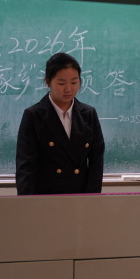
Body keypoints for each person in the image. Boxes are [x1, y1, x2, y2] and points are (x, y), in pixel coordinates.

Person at [16, 52, 105, 195]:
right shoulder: (34, 115)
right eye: (61, 83)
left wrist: (91, 199)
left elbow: (97, 162)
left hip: (80, 197)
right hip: (45, 198)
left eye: (74, 82)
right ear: (48, 81)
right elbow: (26, 167)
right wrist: (28, 203)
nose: (68, 89)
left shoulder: (89, 114)